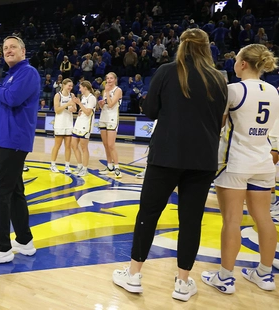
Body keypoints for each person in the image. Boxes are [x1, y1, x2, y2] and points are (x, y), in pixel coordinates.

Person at [112, 28, 228, 302]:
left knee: (148, 214)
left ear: (181, 46)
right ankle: (183, 282)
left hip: (166, 155)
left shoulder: (166, 71)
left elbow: (150, 110)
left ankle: (134, 274)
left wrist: (146, 101)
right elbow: (221, 121)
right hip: (202, 160)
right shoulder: (219, 78)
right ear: (207, 47)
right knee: (191, 222)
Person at [201, 44, 278, 294]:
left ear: (243, 63)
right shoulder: (273, 91)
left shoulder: (233, 90)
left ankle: (225, 278)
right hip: (263, 162)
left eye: (236, 59)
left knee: (231, 221)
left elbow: (218, 125)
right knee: (264, 218)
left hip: (235, 162)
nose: (234, 63)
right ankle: (265, 275)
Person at [0, 36, 40, 266]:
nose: (8, 50)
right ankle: (24, 241)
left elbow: (11, 99)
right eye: (5, 48)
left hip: (14, 139)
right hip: (6, 138)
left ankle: (1, 247)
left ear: (23, 50)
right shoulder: (11, 75)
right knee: (13, 191)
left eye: (13, 47)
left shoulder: (28, 72)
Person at [98, 72, 123, 178]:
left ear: (115, 79)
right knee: (106, 144)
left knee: (111, 145)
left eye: (111, 78)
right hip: (104, 116)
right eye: (107, 78)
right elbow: (105, 104)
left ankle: (117, 167)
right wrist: (100, 104)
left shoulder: (118, 90)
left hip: (112, 118)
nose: (109, 80)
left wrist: (107, 92)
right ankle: (109, 166)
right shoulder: (105, 91)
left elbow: (112, 104)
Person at [50, 78, 76, 174]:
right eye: (69, 85)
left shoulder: (72, 95)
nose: (70, 87)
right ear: (63, 85)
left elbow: (74, 109)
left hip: (68, 122)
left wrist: (73, 108)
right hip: (60, 123)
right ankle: (53, 165)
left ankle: (67, 166)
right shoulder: (58, 95)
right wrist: (67, 104)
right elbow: (57, 110)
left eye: (71, 86)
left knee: (68, 146)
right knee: (57, 145)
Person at [71, 82, 97, 176]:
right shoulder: (84, 97)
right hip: (79, 122)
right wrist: (79, 110)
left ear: (85, 88)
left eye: (81, 87)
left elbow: (88, 112)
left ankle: (85, 169)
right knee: (73, 145)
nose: (79, 89)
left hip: (86, 125)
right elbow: (83, 110)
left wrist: (79, 104)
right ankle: (79, 165)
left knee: (84, 147)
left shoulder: (92, 98)